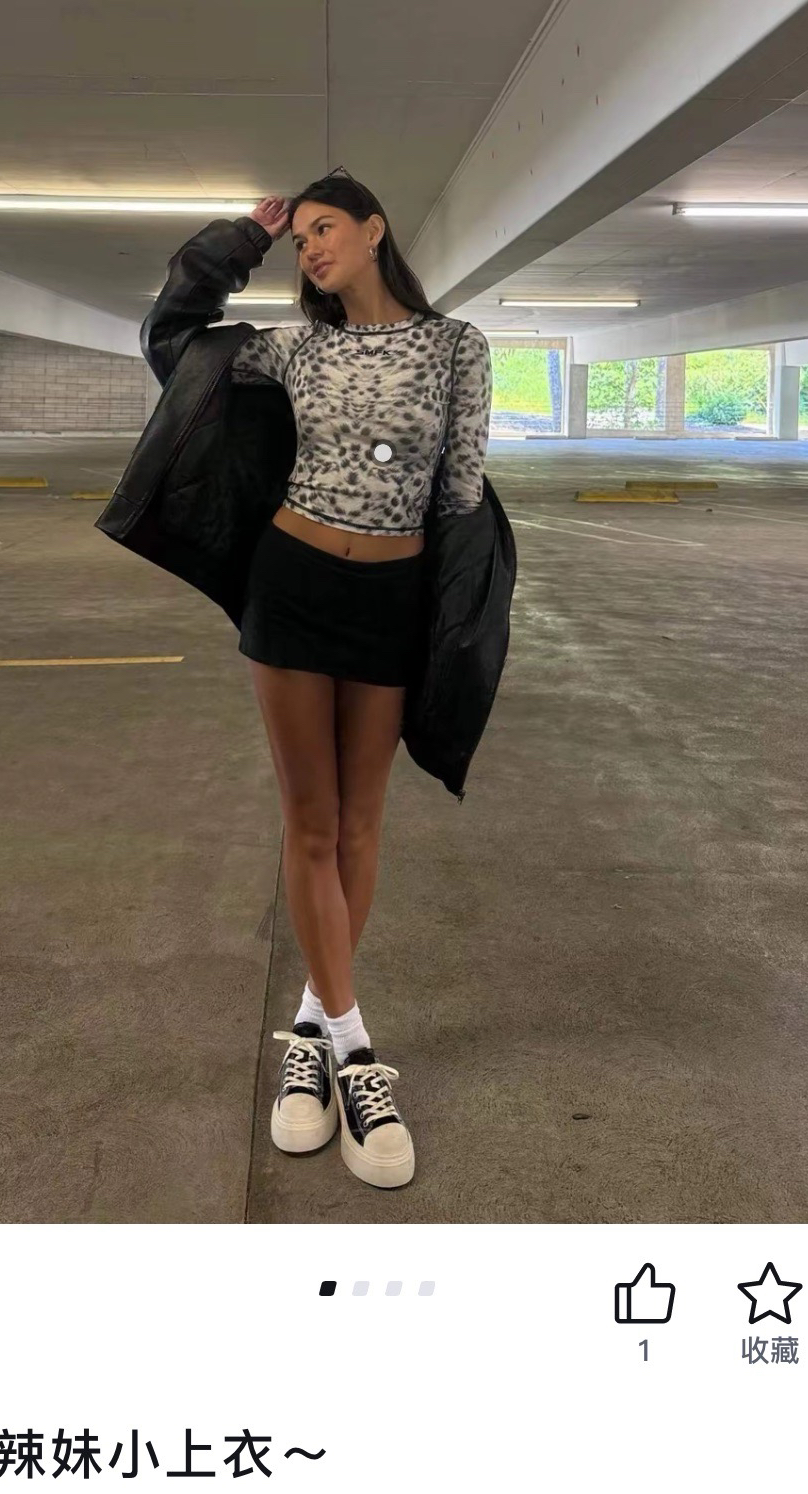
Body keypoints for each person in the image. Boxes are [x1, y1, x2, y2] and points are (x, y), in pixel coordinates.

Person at [97, 167, 515, 1190]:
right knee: (312, 824)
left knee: (362, 825)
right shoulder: (292, 349)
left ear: (376, 230)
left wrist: (453, 633)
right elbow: (171, 334)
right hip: (290, 587)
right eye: (301, 240)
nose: (313, 248)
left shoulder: (457, 346)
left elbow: (460, 495)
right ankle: (356, 1058)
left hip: (390, 601)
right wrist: (239, 239)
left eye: (326, 229)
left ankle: (309, 1030)